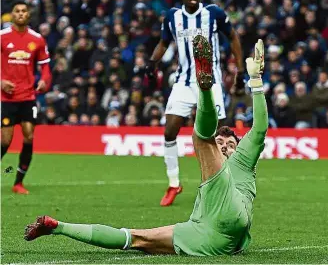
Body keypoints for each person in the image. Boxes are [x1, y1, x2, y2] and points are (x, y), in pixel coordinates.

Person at [25, 37, 268, 256]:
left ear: (239, 148)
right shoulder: (217, 178)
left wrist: (256, 82)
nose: (225, 147)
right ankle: (57, 226)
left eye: (230, 144)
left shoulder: (242, 161)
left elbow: (258, 129)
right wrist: (58, 228)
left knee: (202, 138)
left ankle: (204, 89)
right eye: (222, 143)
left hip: (230, 211)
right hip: (205, 233)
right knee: (134, 238)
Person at [143, 0, 244, 206]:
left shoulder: (214, 13)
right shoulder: (172, 16)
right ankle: (173, 183)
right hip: (184, 81)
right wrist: (152, 63)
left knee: (220, 134)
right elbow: (163, 42)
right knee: (170, 130)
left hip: (211, 82)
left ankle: (227, 181)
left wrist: (241, 70)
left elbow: (233, 37)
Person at [1, 1, 51, 194]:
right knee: (5, 141)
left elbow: (45, 66)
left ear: (28, 15)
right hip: (6, 98)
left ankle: (18, 182)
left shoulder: (37, 39)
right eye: (17, 11)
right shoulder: (3, 37)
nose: (21, 14)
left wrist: (44, 81)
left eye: (24, 11)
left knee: (29, 136)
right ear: (12, 15)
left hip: (28, 96)